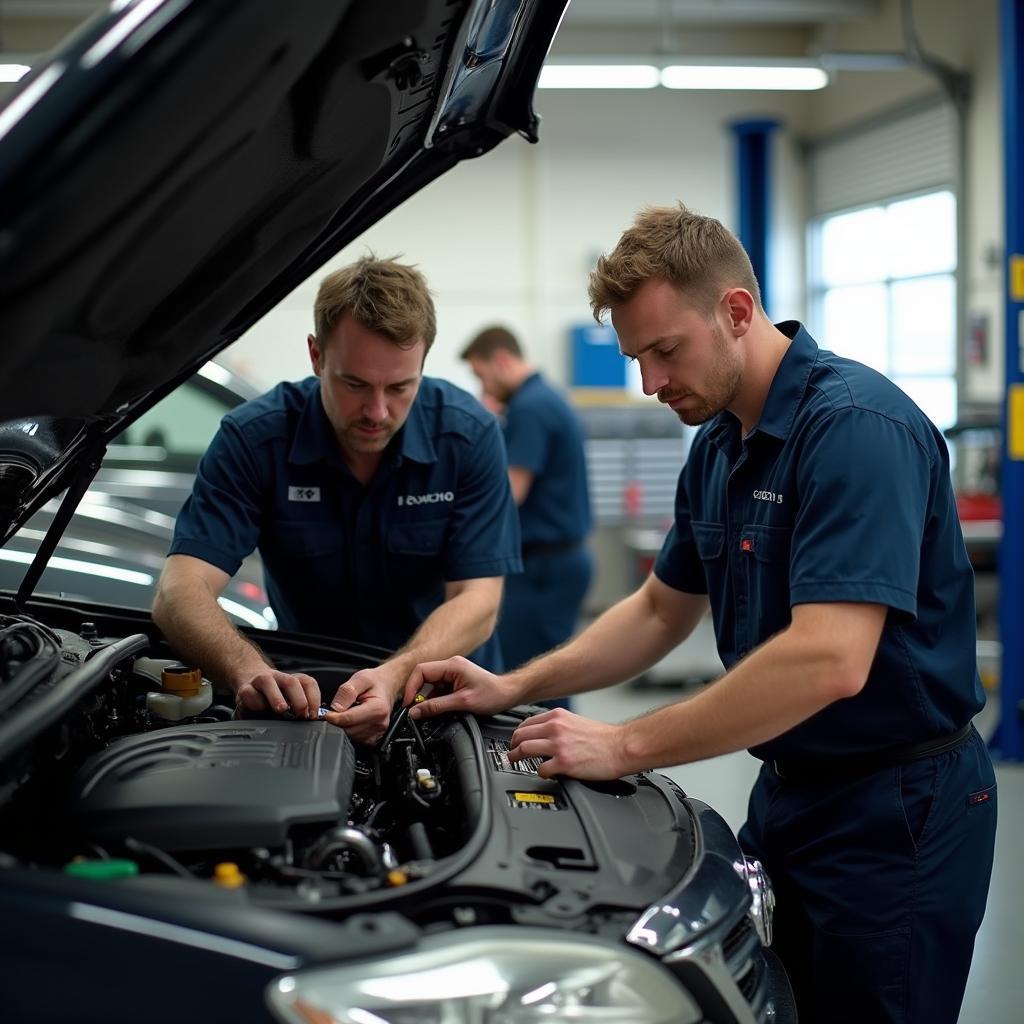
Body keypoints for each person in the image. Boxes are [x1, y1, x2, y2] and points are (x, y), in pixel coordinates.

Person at [403, 205, 997, 1024]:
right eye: (636, 357)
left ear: (737, 311)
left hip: (896, 811)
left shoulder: (854, 429)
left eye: (665, 350)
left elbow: (831, 657)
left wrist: (623, 742)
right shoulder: (719, 444)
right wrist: (509, 687)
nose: (650, 383)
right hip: (791, 794)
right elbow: (655, 610)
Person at [152, 256, 522, 743]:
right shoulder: (255, 440)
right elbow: (178, 592)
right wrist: (246, 669)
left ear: (424, 363)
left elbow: (478, 599)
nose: (377, 411)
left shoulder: (467, 435)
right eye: (355, 384)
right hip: (304, 704)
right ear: (316, 356)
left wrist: (397, 676)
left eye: (400, 387)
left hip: (435, 700)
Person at [460, 326, 593, 708]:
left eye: (481, 375)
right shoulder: (544, 397)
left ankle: (542, 765)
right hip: (557, 562)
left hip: (543, 569)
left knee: (533, 680)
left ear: (501, 360)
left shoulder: (529, 408)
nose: (482, 386)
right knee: (546, 673)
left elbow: (508, 493)